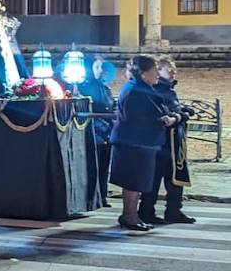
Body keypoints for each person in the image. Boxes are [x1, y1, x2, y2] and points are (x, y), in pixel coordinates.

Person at [111, 55, 181, 232]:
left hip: (137, 143)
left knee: (135, 183)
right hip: (136, 144)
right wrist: (167, 119)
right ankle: (130, 216)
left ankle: (131, 216)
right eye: (154, 71)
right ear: (143, 74)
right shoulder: (138, 91)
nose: (157, 74)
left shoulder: (139, 88)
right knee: (134, 182)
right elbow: (144, 117)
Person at [139, 57, 195, 226]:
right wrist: (182, 115)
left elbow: (171, 108)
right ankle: (149, 211)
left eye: (174, 70)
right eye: (169, 70)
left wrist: (181, 110)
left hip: (171, 143)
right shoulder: (157, 89)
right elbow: (164, 113)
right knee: (157, 179)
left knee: (171, 179)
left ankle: (170, 210)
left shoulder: (167, 89)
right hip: (163, 143)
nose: (173, 73)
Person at [76, 54, 115, 208]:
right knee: (93, 166)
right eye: (97, 67)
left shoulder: (104, 87)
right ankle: (92, 197)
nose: (101, 70)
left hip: (106, 131)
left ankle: (102, 195)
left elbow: (109, 105)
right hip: (93, 131)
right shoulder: (82, 87)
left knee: (104, 166)